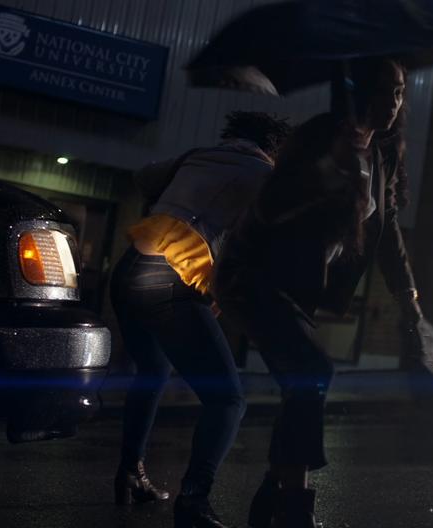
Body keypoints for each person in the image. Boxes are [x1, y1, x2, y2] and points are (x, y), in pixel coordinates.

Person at [212, 58, 424, 528]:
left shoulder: (382, 157)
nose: (394, 102)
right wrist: (325, 176)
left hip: (296, 291)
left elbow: (388, 235)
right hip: (253, 277)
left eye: (400, 92)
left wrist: (408, 298)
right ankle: (295, 509)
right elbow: (270, 209)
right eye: (386, 90)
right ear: (361, 91)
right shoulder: (318, 138)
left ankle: (273, 492)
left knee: (301, 386)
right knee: (313, 372)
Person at [110, 111, 291, 528]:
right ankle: (194, 500)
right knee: (228, 399)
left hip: (129, 268)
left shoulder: (196, 156)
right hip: (168, 278)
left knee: (152, 371)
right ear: (274, 148)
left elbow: (143, 177)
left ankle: (129, 474)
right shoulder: (266, 175)